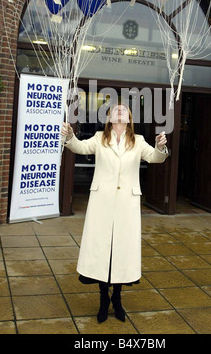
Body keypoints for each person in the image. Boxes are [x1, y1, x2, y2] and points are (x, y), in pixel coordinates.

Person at [61, 102, 168, 323]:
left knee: (121, 251)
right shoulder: (100, 137)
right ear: (110, 117)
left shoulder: (137, 141)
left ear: (129, 118)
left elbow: (156, 158)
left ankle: (117, 299)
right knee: (102, 250)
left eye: (125, 110)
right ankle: (103, 299)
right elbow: (79, 148)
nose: (120, 112)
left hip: (127, 204)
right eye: (116, 110)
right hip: (102, 203)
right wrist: (70, 135)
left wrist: (159, 146)